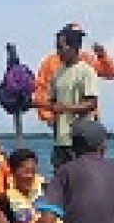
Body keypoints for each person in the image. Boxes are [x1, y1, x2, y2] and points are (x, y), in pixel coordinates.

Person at [40, 25, 103, 171]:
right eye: (56, 47)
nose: (58, 52)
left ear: (74, 47)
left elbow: (91, 103)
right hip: (60, 140)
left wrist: (65, 108)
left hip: (79, 141)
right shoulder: (57, 73)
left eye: (61, 47)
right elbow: (52, 101)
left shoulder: (86, 71)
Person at [32, 22, 114, 126]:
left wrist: (102, 56)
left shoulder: (88, 60)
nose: (78, 40)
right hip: (62, 121)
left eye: (80, 37)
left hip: (88, 122)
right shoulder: (50, 62)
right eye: (75, 36)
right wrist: (48, 116)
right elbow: (42, 90)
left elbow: (111, 73)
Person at [3, 148, 62, 223]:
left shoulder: (47, 189)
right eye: (25, 172)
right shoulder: (5, 198)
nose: (30, 176)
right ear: (13, 172)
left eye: (33, 171)